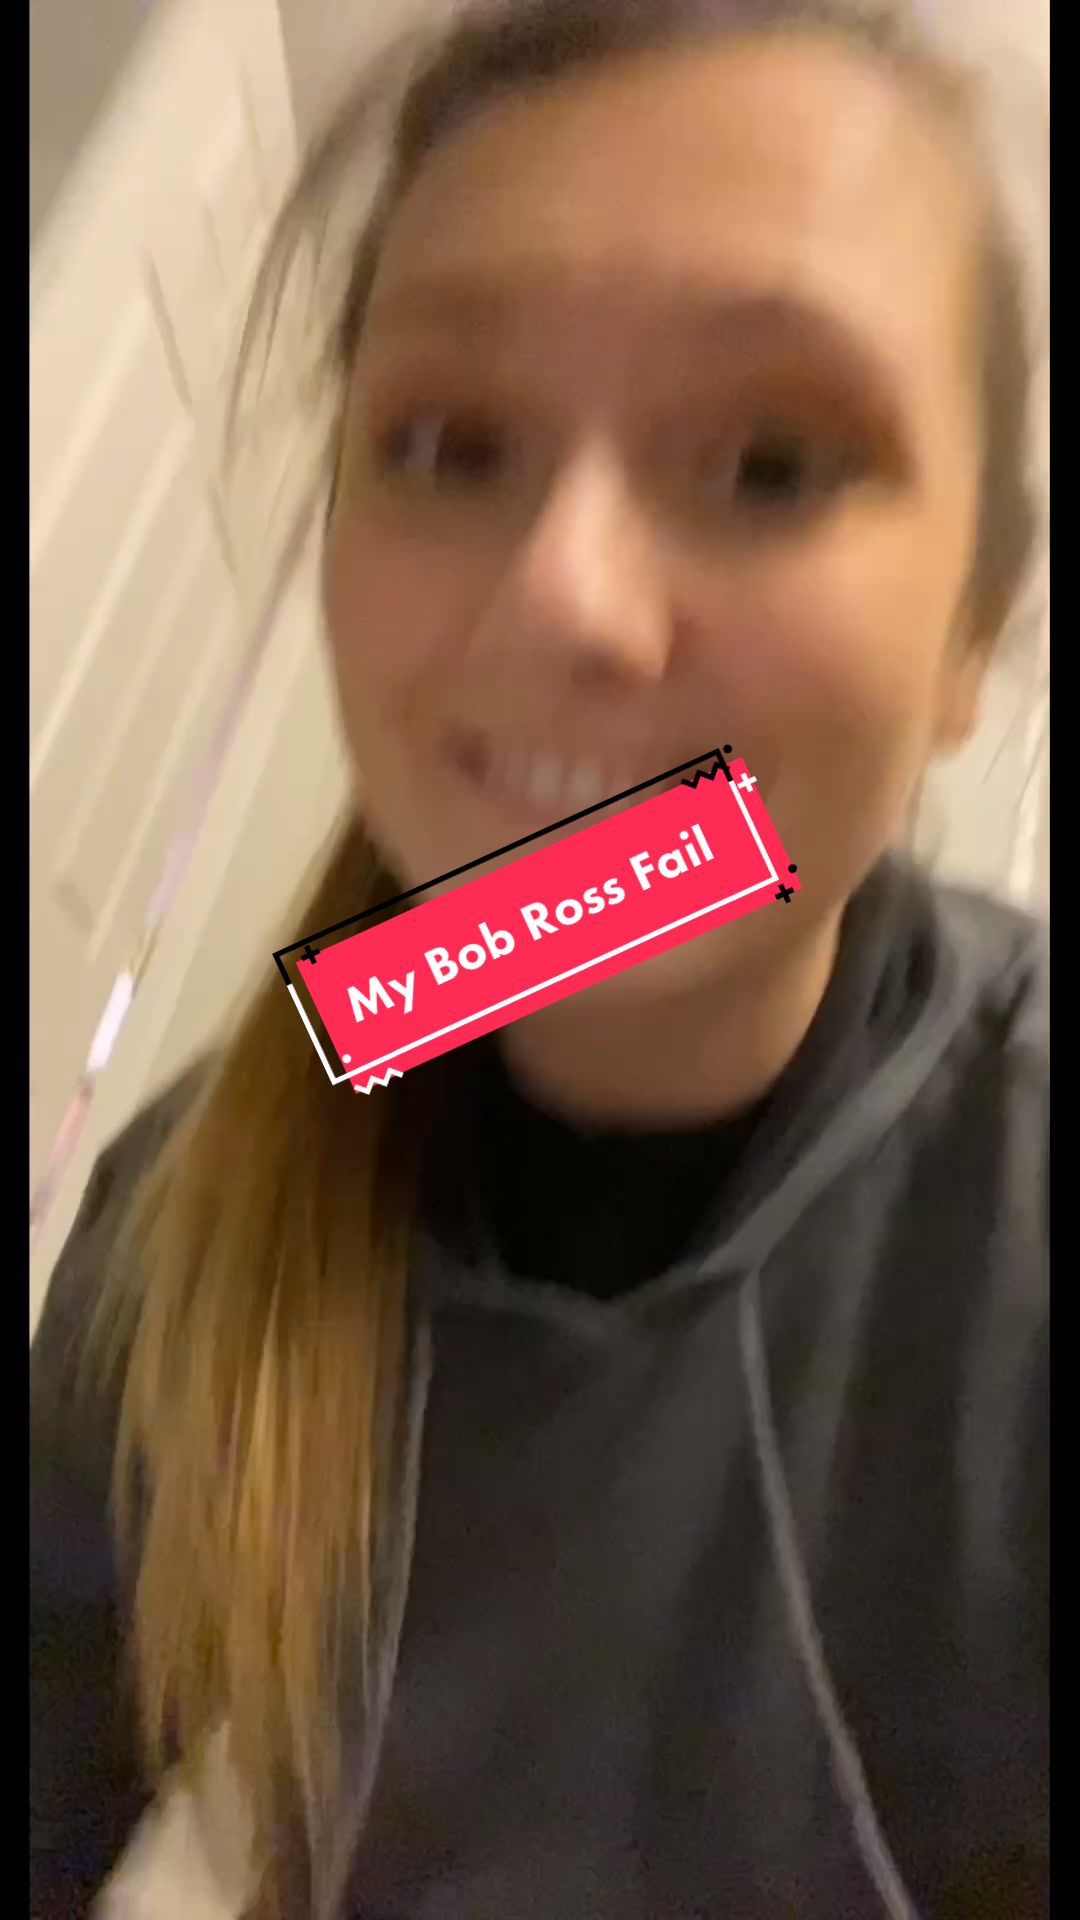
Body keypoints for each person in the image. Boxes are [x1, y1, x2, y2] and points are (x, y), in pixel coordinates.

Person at [30, 2, 1048, 1915]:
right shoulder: (192, 1206)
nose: (563, 597)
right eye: (446, 443)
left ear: (973, 637)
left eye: (772, 461)